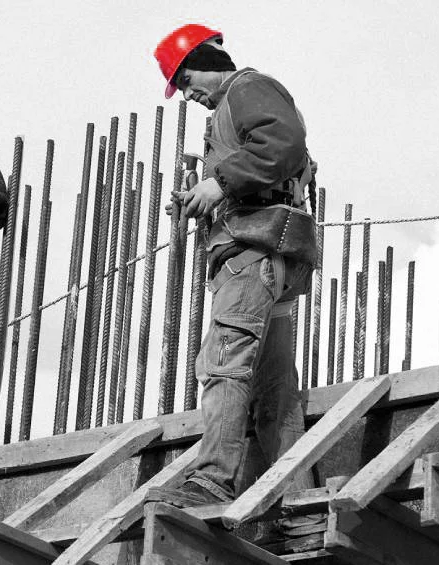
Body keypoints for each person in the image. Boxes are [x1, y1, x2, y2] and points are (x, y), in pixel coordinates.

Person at [153, 24, 324, 548]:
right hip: (273, 254)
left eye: (184, 83)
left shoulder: (246, 89)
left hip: (253, 256)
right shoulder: (231, 111)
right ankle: (296, 504)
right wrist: (205, 194)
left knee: (225, 363)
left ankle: (211, 479)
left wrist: (220, 182)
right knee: (274, 388)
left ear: (202, 62)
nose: (188, 95)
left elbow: (283, 142)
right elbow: (261, 164)